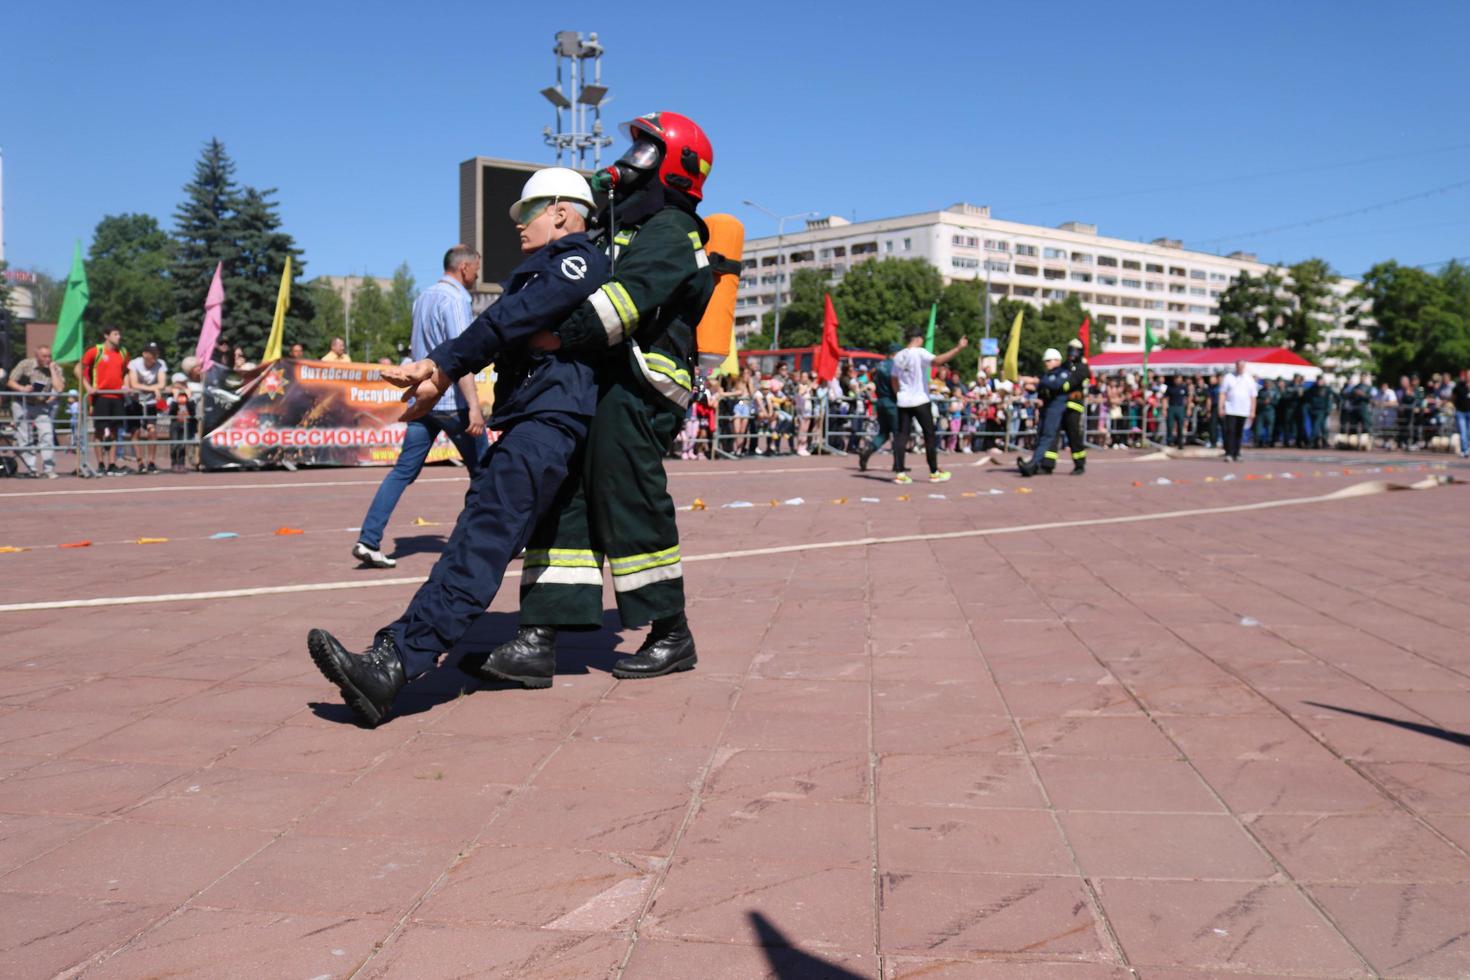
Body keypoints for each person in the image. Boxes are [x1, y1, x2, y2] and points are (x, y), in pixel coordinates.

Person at [306, 168, 608, 727]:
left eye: (528, 213)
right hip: (536, 418)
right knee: (484, 535)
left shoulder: (578, 260)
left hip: (547, 421)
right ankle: (420, 653)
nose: (518, 225)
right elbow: (510, 327)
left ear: (563, 212)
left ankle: (393, 663)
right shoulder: (557, 264)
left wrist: (443, 365)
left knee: (481, 540)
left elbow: (513, 318)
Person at [474, 110, 718, 688]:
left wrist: (550, 334)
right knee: (563, 496)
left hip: (640, 388)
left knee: (626, 497)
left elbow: (622, 302)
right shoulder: (621, 223)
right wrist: (596, 190)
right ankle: (539, 635)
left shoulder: (673, 231)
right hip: (599, 381)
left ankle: (670, 632)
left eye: (643, 153)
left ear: (672, 166)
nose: (627, 162)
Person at [351, 245, 489, 568]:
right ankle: (490, 540)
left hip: (423, 403)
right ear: (465, 268)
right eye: (477, 269)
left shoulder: (423, 297)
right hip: (451, 400)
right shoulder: (456, 300)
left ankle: (368, 539)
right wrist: (474, 407)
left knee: (402, 472)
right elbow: (462, 357)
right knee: (487, 472)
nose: (478, 275)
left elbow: (419, 349)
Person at [891, 329, 967, 484]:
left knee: (902, 436)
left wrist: (898, 393)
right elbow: (938, 361)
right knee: (929, 435)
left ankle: (900, 473)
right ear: (918, 339)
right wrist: (958, 348)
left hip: (903, 400)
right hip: (920, 399)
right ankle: (933, 472)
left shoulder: (898, 356)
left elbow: (893, 378)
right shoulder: (919, 352)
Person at [5, 345, 65, 478]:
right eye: (44, 356)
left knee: (47, 435)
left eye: (50, 356)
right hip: (21, 403)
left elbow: (59, 388)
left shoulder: (55, 367)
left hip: (40, 405)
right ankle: (31, 468)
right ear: (37, 356)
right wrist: (22, 388)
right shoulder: (25, 364)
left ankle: (48, 469)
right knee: (24, 437)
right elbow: (10, 381)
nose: (48, 359)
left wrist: (52, 371)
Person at [77, 327, 129, 476]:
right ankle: (100, 464)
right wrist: (88, 387)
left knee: (114, 431)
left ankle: (112, 464)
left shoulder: (123, 352)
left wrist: (125, 385)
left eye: (119, 333)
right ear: (106, 336)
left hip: (117, 397)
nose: (119, 337)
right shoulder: (96, 351)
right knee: (99, 431)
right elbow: (78, 369)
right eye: (115, 334)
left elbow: (125, 372)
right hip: (101, 396)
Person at [1018, 348, 1070, 477]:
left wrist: (1036, 381)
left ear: (1057, 360)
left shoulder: (1063, 372)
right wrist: (1022, 382)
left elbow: (1055, 385)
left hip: (1056, 408)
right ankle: (1044, 465)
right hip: (1046, 408)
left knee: (1047, 437)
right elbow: (1038, 388)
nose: (1046, 363)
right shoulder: (1047, 374)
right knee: (1042, 436)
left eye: (1048, 361)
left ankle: (1033, 463)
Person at [1047, 337, 1090, 474]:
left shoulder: (1083, 368)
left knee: (1074, 436)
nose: (1073, 353)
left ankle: (1079, 465)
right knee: (1053, 434)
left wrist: (1058, 385)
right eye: (1070, 349)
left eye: (1075, 350)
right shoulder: (1064, 366)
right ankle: (1048, 464)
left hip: (1074, 406)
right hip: (1060, 406)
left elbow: (1071, 382)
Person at [125, 343, 168, 474]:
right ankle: (140, 463)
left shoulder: (161, 364)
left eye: (156, 353)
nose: (154, 357)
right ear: (144, 354)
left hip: (150, 402)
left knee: (152, 431)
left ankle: (151, 462)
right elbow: (134, 384)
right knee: (136, 432)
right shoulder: (134, 363)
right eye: (152, 353)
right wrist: (153, 388)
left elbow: (162, 383)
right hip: (135, 401)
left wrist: (155, 388)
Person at [857, 343, 901, 471]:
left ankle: (867, 450)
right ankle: (898, 464)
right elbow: (896, 385)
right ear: (896, 354)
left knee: (883, 433)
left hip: (880, 402)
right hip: (892, 402)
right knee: (898, 433)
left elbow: (869, 380)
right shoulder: (896, 366)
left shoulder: (879, 365)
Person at [1219, 360, 1256, 461]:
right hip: (1231, 409)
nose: (1240, 368)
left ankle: (1237, 453)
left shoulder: (1249, 378)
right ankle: (1229, 453)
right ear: (1236, 366)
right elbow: (1222, 393)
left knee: (1239, 432)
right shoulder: (1229, 377)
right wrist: (1221, 407)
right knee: (1230, 431)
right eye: (1238, 366)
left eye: (1242, 366)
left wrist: (1253, 411)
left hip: (1243, 410)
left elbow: (1253, 396)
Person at [1164, 375, 1188, 449]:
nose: (1177, 380)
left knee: (1180, 426)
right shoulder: (1170, 387)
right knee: (1170, 425)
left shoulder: (1183, 387)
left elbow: (1187, 397)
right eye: (1176, 378)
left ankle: (1180, 442)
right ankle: (1169, 442)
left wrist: (1188, 408)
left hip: (1180, 407)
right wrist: (1164, 409)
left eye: (1179, 378)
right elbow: (1165, 398)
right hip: (1171, 407)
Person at [1254, 377, 1277, 447]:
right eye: (1266, 383)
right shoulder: (1260, 391)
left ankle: (1269, 442)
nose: (1267, 385)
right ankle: (1259, 442)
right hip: (1261, 412)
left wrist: (1270, 401)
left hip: (1270, 411)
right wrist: (1263, 402)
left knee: (1270, 428)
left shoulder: (1274, 392)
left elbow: (1277, 402)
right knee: (1259, 428)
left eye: (1269, 383)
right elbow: (1256, 401)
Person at [1453, 369, 1470, 458]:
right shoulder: (1459, 385)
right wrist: (1455, 406)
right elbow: (1453, 396)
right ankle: (1464, 450)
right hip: (1461, 412)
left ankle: (1467, 448)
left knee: (1469, 433)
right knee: (1463, 432)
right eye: (1467, 375)